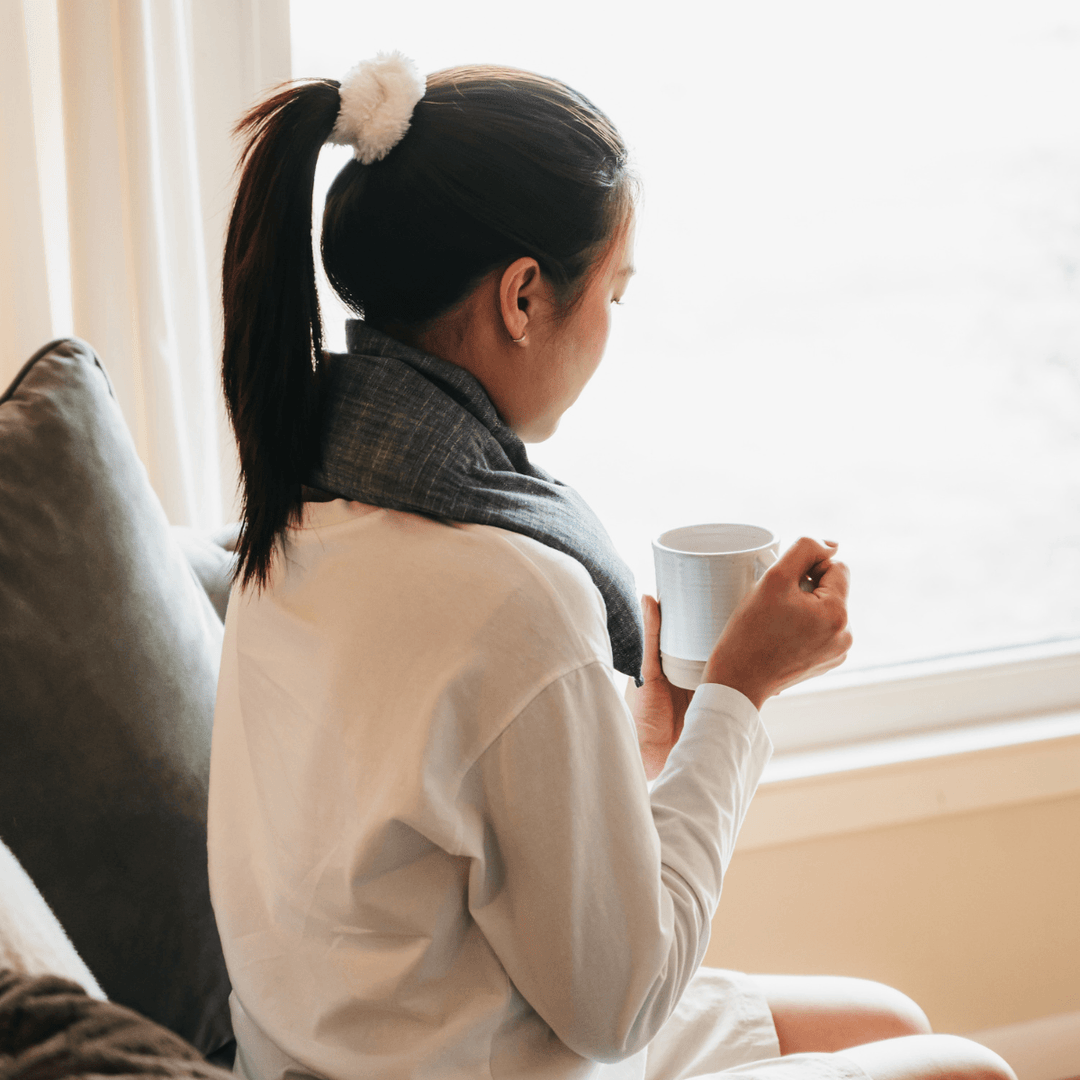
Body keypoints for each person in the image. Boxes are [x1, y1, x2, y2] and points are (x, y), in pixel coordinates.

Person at [207, 53, 1016, 1080]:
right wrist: (738, 695)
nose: (609, 333)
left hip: (371, 1037)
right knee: (969, 1072)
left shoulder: (299, 502)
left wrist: (633, 745)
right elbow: (620, 1004)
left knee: (891, 1020)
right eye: (615, 297)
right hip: (477, 1056)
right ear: (524, 298)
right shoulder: (507, 589)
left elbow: (440, 845)